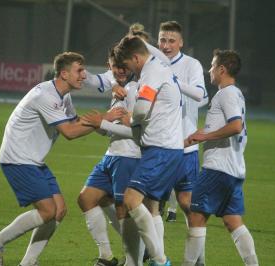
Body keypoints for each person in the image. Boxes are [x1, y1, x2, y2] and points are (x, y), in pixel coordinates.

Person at [0, 52, 123, 266]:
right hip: (18, 158)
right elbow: (70, 132)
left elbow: (75, 122)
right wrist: (104, 119)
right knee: (48, 211)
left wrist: (102, 124)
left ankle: (28, 263)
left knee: (59, 210)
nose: (84, 75)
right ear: (64, 74)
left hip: (33, 159)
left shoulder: (63, 95)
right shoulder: (45, 96)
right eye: (79, 70)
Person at [114, 36, 184, 266]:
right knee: (151, 207)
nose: (130, 70)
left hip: (160, 149)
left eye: (129, 65)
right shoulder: (161, 65)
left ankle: (160, 260)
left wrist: (130, 119)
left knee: (130, 199)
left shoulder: (151, 71)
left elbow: (142, 109)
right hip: (169, 148)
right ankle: (154, 259)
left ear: (136, 58)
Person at [184, 49, 258, 266]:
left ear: (222, 69)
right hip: (234, 168)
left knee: (196, 217)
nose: (210, 70)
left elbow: (236, 126)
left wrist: (205, 136)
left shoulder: (226, 93)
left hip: (218, 168)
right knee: (232, 220)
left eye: (212, 65)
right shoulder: (235, 93)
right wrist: (201, 136)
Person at [77, 46, 142, 266]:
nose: (121, 71)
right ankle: (106, 256)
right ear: (109, 66)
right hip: (112, 154)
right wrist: (97, 124)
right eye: (116, 68)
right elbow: (109, 128)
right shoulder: (118, 89)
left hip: (129, 156)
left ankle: (134, 260)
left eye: (124, 67)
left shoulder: (135, 89)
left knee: (124, 208)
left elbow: (137, 131)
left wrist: (102, 123)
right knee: (87, 198)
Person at [156, 21, 208, 228]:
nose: (166, 45)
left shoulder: (191, 65)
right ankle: (152, 256)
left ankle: (198, 259)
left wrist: (173, 80)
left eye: (171, 41)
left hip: (185, 145)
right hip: (159, 144)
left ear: (181, 43)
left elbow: (201, 96)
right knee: (152, 203)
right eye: (162, 40)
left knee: (187, 203)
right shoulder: (153, 64)